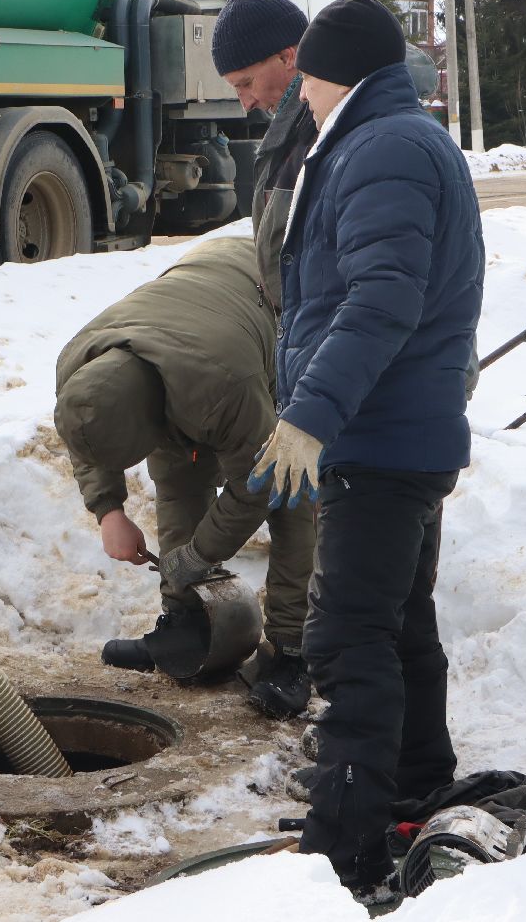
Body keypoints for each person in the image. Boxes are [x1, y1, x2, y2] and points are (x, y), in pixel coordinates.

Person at [249, 0, 485, 904]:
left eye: (305, 77)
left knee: (348, 637)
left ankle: (345, 846)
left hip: (379, 437)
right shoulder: (388, 136)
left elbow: (381, 299)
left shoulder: (382, 146)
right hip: (399, 430)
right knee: (401, 625)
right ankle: (417, 787)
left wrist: (311, 414)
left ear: (333, 73)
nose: (298, 94)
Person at [54, 236, 316, 718]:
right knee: (177, 470)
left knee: (292, 483)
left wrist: (199, 555)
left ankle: (291, 651)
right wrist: (108, 511)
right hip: (194, 307)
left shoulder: (225, 387)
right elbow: (86, 441)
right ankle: (189, 622)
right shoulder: (81, 364)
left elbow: (257, 486)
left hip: (277, 299)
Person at [211, 0, 320, 316]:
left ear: (287, 57)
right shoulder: (295, 132)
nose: (246, 104)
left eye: (246, 83)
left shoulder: (323, 133)